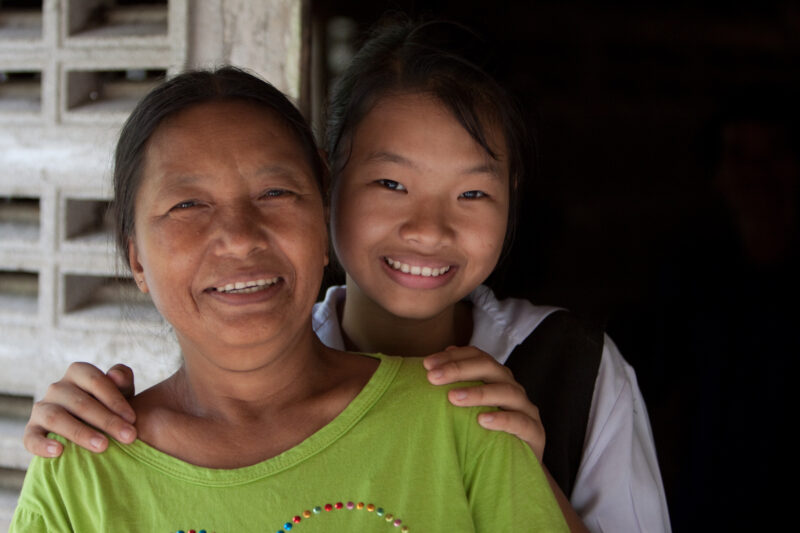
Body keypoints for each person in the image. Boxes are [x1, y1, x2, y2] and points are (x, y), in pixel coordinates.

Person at [22, 19, 669, 532]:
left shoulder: (544, 383)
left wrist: (518, 468)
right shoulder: (87, 465)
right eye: (391, 183)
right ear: (333, 190)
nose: (427, 228)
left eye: (472, 192)